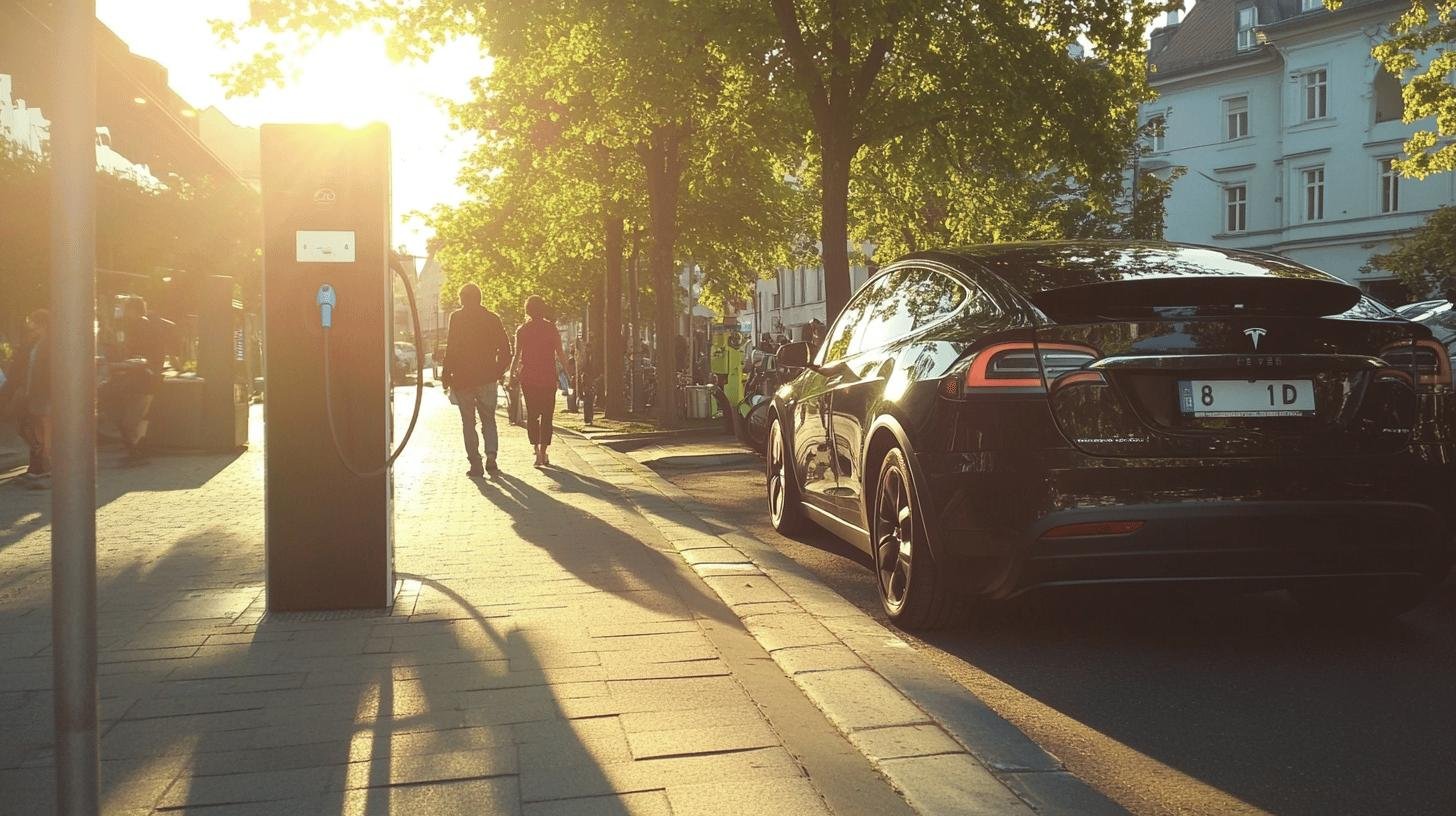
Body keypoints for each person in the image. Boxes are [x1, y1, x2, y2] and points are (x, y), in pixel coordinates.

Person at [440, 283, 512, 477]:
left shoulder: (456, 318)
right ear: (480, 298)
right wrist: (496, 371)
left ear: (462, 299)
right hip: (487, 378)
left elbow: (451, 348)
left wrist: (446, 374)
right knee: (489, 419)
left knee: (468, 422)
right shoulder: (492, 319)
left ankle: (475, 464)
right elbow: (506, 350)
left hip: (463, 379)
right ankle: (491, 457)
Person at [511, 295, 570, 467]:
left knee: (532, 415)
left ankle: (536, 452)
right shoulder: (551, 328)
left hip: (529, 380)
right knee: (547, 416)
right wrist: (569, 372)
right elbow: (560, 353)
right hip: (548, 379)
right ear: (543, 309)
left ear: (527, 310)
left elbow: (516, 355)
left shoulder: (522, 330)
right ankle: (544, 452)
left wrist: (512, 373)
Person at [111, 298, 167, 461]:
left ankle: (136, 448)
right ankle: (137, 447)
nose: (126, 314)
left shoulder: (140, 326)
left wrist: (126, 362)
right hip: (148, 377)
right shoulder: (149, 325)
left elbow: (139, 354)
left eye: (127, 310)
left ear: (134, 310)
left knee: (132, 416)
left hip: (142, 378)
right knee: (141, 415)